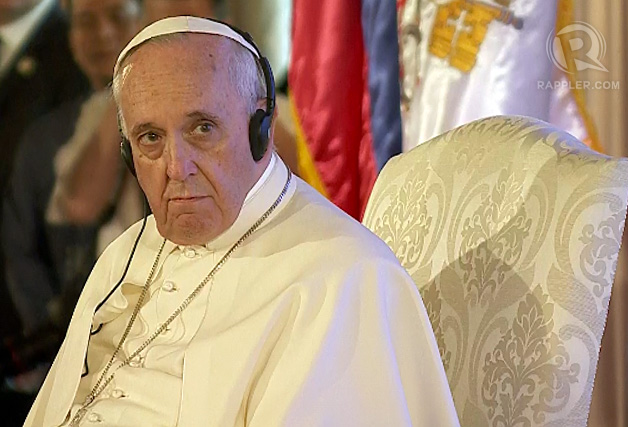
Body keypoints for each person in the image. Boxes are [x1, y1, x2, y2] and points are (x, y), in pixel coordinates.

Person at [25, 17, 460, 426]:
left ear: (262, 129)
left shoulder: (342, 277)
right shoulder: (127, 252)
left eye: (202, 129)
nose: (177, 168)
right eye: (150, 139)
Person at [0, 0, 143, 406]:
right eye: (85, 22)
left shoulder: (171, 119)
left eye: (117, 16)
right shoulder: (47, 135)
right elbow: (20, 242)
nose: (102, 34)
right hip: (56, 348)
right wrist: (55, 336)